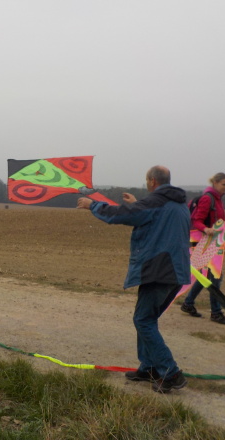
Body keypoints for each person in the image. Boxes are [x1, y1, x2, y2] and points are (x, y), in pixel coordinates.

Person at [77, 165, 191, 394]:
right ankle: (149, 368)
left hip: (159, 270)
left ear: (152, 181)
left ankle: (170, 372)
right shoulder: (178, 204)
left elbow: (123, 215)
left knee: (143, 320)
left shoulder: (155, 202)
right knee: (147, 319)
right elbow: (153, 216)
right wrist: (138, 203)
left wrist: (92, 205)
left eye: (147, 180)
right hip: (176, 271)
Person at [180, 172, 225, 325]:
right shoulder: (207, 199)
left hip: (214, 243)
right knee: (215, 276)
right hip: (204, 242)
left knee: (208, 276)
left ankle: (188, 303)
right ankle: (216, 312)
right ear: (215, 183)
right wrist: (206, 229)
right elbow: (197, 220)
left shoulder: (218, 199)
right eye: (223, 184)